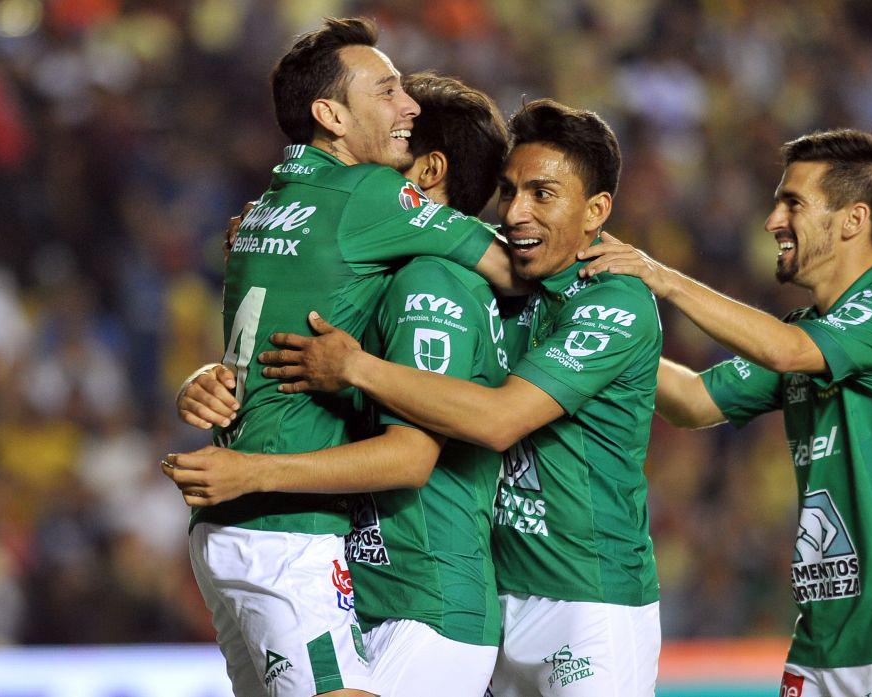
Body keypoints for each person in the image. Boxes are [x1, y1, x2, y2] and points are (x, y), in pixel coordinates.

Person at [256, 99, 664, 696]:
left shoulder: (613, 301)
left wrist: (357, 368)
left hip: (589, 606)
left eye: (543, 195)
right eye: (509, 191)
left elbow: (500, 422)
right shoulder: (498, 281)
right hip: (497, 598)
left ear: (596, 210)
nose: (517, 212)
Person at [170, 18, 519, 697]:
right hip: (283, 528)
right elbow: (515, 269)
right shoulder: (370, 196)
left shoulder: (269, 206)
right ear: (330, 114)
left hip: (225, 529)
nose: (406, 106)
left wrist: (200, 381)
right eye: (386, 90)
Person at [577, 129, 872, 696]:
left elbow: (785, 353)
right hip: (821, 639)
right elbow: (693, 401)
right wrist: (590, 332)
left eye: (793, 202)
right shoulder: (805, 333)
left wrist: (659, 277)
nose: (772, 221)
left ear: (853, 220)